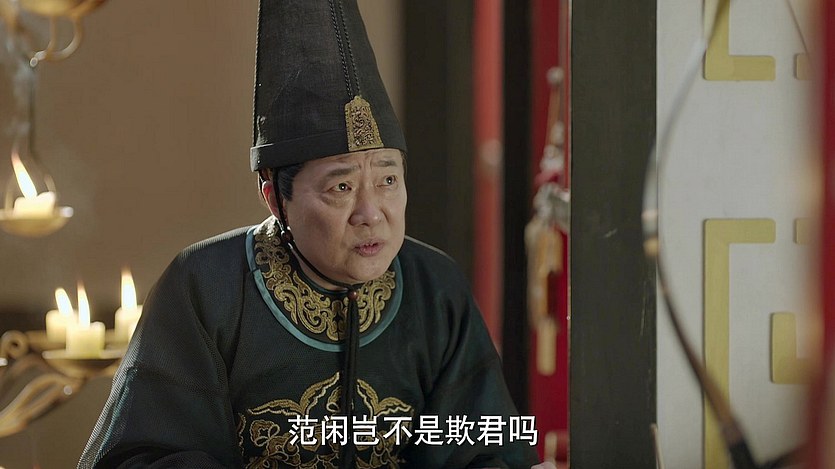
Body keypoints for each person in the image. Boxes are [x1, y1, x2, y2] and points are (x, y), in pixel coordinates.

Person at [79, 1, 547, 467]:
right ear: (275, 198)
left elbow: (488, 451)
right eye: (341, 187)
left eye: (388, 180)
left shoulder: (435, 287)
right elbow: (139, 458)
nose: (371, 214)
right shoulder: (206, 287)